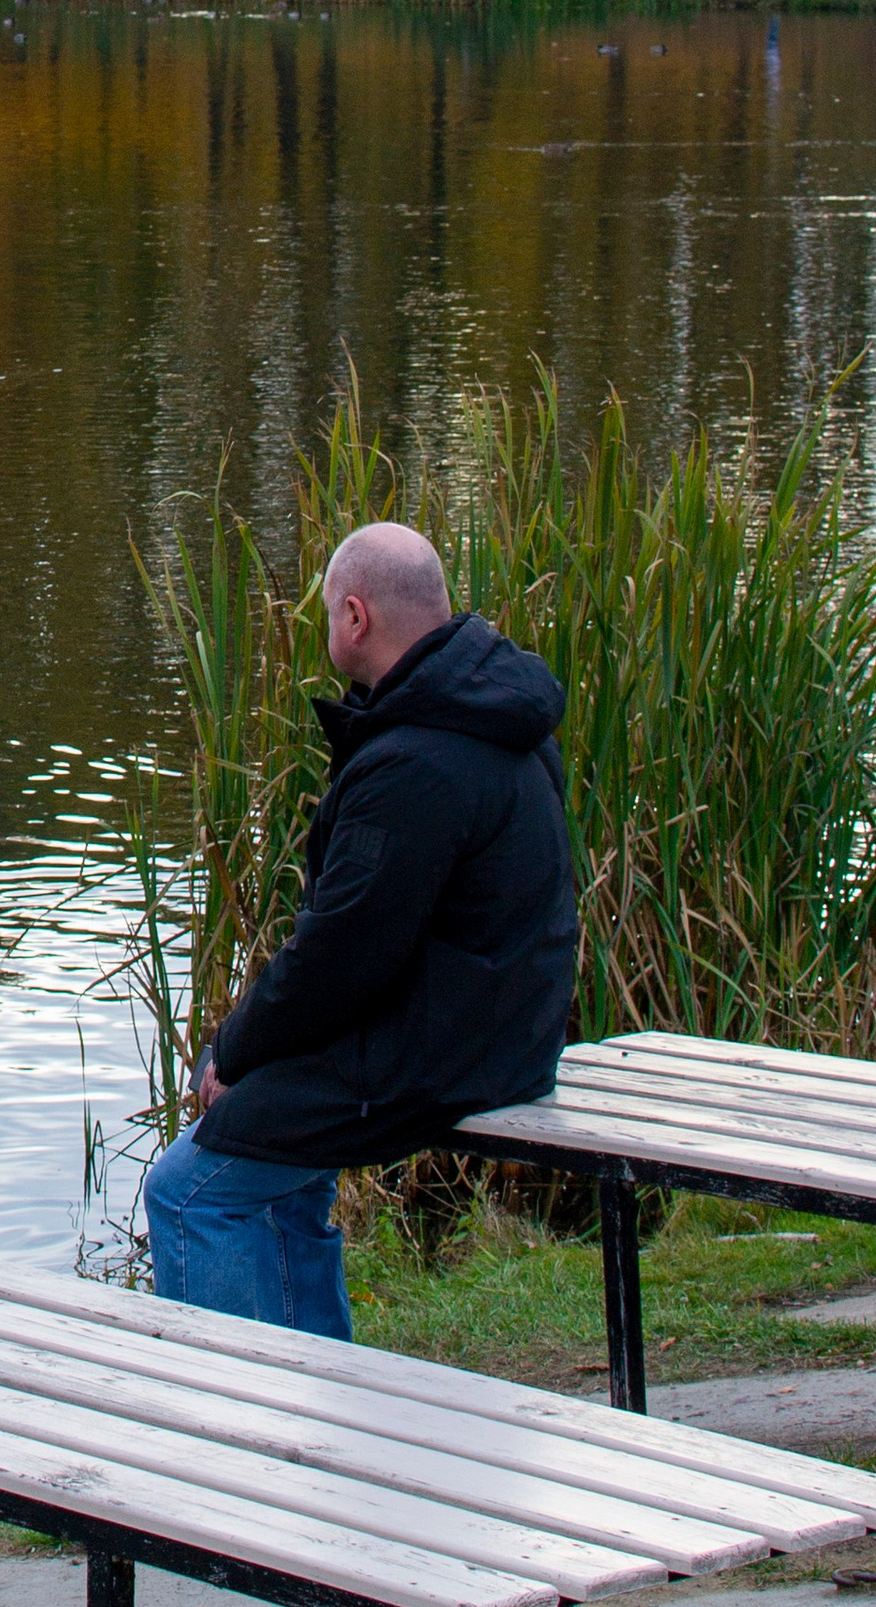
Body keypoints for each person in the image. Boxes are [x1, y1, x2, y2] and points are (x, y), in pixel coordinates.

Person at [142, 521, 575, 1337]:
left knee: (188, 1192)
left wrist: (232, 1053)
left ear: (355, 616)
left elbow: (340, 955)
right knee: (279, 1166)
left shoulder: (418, 760)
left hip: (450, 1053)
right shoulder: (489, 714)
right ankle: (315, 1396)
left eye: (326, 615)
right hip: (499, 1030)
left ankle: (229, 1429)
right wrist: (256, 1055)